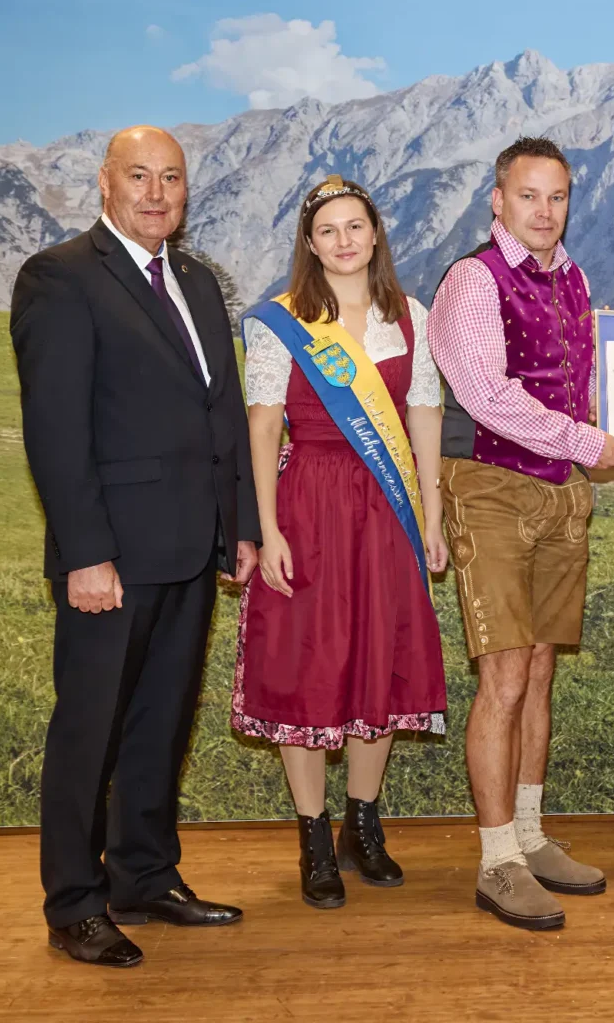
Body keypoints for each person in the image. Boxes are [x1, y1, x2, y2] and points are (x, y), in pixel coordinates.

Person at [10, 125, 260, 967]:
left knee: (160, 725)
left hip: (190, 547)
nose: (157, 193)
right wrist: (85, 551)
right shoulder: (61, 278)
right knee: (91, 730)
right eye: (140, 176)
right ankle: (74, 902)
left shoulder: (193, 277)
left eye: (173, 179)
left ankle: (145, 877)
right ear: (105, 183)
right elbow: (55, 430)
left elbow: (220, 411)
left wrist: (243, 528)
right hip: (110, 555)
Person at [428, 136, 614, 930]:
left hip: (557, 493)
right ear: (497, 198)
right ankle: (495, 861)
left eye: (558, 197)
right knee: (506, 679)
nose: (545, 211)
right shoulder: (472, 280)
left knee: (542, 672)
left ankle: (527, 833)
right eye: (529, 196)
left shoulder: (573, 277)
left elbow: (579, 385)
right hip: (489, 488)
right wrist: (591, 444)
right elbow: (489, 397)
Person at [233, 176, 449, 910]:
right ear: (310, 243)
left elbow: (423, 420)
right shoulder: (280, 322)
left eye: (356, 226)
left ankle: (363, 821)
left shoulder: (409, 317)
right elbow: (262, 427)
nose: (345, 240)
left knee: (378, 658)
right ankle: (315, 835)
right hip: (311, 504)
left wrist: (433, 516)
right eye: (329, 230)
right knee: (308, 663)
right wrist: (267, 530)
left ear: (377, 233)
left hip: (386, 509)